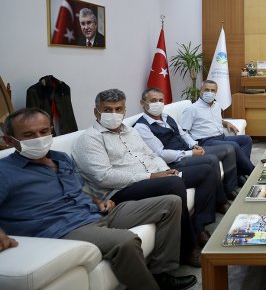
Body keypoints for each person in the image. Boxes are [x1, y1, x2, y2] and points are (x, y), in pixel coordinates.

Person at [0, 108, 196, 290]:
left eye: (44, 131)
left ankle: (161, 273)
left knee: (171, 202)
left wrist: (97, 201)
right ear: (9, 140)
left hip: (95, 212)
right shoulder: (4, 171)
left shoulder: (62, 158)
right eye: (29, 135)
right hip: (63, 228)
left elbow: (75, 191)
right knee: (126, 241)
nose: (39, 139)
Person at [72, 89, 217, 268]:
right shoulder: (90, 139)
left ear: (124, 111)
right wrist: (151, 176)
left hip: (152, 178)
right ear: (96, 112)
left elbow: (151, 155)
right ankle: (187, 249)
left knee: (205, 171)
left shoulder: (131, 132)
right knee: (174, 184)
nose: (114, 114)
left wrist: (165, 170)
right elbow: (104, 177)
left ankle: (199, 226)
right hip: (120, 191)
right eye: (107, 109)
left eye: (118, 109)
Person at [134, 87, 236, 211]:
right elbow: (160, 154)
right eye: (153, 100)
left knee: (228, 149)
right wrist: (190, 153)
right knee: (211, 160)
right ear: (143, 103)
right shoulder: (141, 127)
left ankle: (227, 191)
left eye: (161, 100)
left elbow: (183, 134)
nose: (158, 103)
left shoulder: (166, 117)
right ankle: (221, 202)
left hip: (187, 151)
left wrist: (193, 145)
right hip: (173, 161)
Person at [180, 80, 255, 185]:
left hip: (221, 137)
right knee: (233, 145)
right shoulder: (191, 109)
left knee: (246, 139)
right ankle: (253, 172)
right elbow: (182, 131)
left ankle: (239, 174)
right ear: (201, 91)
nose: (210, 93)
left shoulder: (217, 105)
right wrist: (193, 145)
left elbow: (216, 120)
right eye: (207, 90)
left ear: (216, 92)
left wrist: (226, 123)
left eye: (213, 90)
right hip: (205, 141)